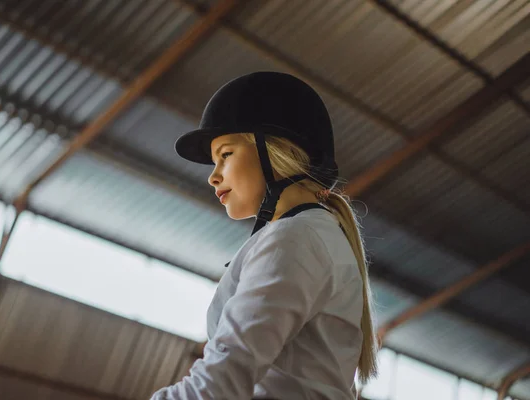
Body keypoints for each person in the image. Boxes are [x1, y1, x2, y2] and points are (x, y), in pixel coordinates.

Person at [150, 71, 378, 400]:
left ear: (275, 152)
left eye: (225, 155)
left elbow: (222, 382)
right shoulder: (312, 234)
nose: (213, 177)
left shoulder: (295, 238)